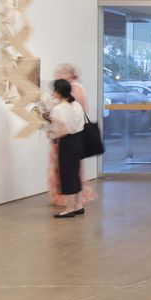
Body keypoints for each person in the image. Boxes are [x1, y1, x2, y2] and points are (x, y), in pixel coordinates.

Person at [48, 64, 96, 207]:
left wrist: (53, 133)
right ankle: (76, 203)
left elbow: (66, 126)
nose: (58, 75)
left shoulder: (68, 100)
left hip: (68, 139)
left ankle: (71, 204)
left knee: (69, 172)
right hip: (75, 138)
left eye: (61, 72)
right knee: (72, 171)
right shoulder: (73, 103)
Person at [46, 79, 86, 219]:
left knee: (67, 176)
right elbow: (80, 124)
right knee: (75, 174)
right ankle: (79, 205)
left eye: (53, 90)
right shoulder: (77, 105)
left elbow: (63, 131)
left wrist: (52, 134)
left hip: (67, 144)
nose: (52, 93)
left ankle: (69, 208)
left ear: (58, 92)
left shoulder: (58, 109)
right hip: (79, 141)